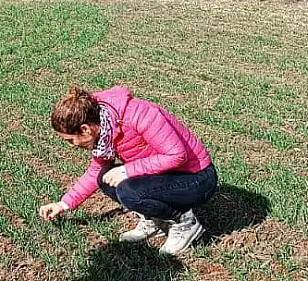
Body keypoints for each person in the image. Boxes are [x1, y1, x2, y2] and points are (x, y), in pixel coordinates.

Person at [38, 86, 218, 255]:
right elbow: (95, 172)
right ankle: (154, 220)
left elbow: (176, 155)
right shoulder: (104, 132)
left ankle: (185, 222)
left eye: (71, 139)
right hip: (168, 176)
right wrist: (63, 204)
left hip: (198, 179)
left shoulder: (139, 114)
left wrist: (127, 170)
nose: (71, 145)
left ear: (85, 129)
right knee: (104, 178)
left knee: (128, 191)